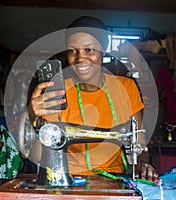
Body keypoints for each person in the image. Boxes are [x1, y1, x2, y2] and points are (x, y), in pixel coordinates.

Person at [29, 16, 158, 180]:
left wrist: (143, 164)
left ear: (103, 51)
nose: (80, 58)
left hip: (115, 178)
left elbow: (139, 143)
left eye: (89, 50)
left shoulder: (126, 88)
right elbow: (37, 155)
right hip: (66, 177)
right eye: (72, 51)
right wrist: (31, 115)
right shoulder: (56, 92)